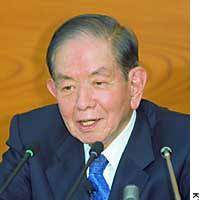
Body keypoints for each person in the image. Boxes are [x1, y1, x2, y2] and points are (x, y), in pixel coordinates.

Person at [0, 14, 189, 200]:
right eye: (68, 87)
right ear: (53, 90)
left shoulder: (186, 142)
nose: (82, 103)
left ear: (134, 85)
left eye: (98, 83)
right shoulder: (31, 138)